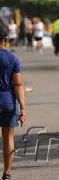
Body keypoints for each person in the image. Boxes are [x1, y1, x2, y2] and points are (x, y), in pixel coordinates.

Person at [0, 30, 26, 180]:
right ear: (5, 39)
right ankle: (7, 173)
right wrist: (22, 107)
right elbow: (17, 84)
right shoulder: (13, 59)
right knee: (8, 138)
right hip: (7, 102)